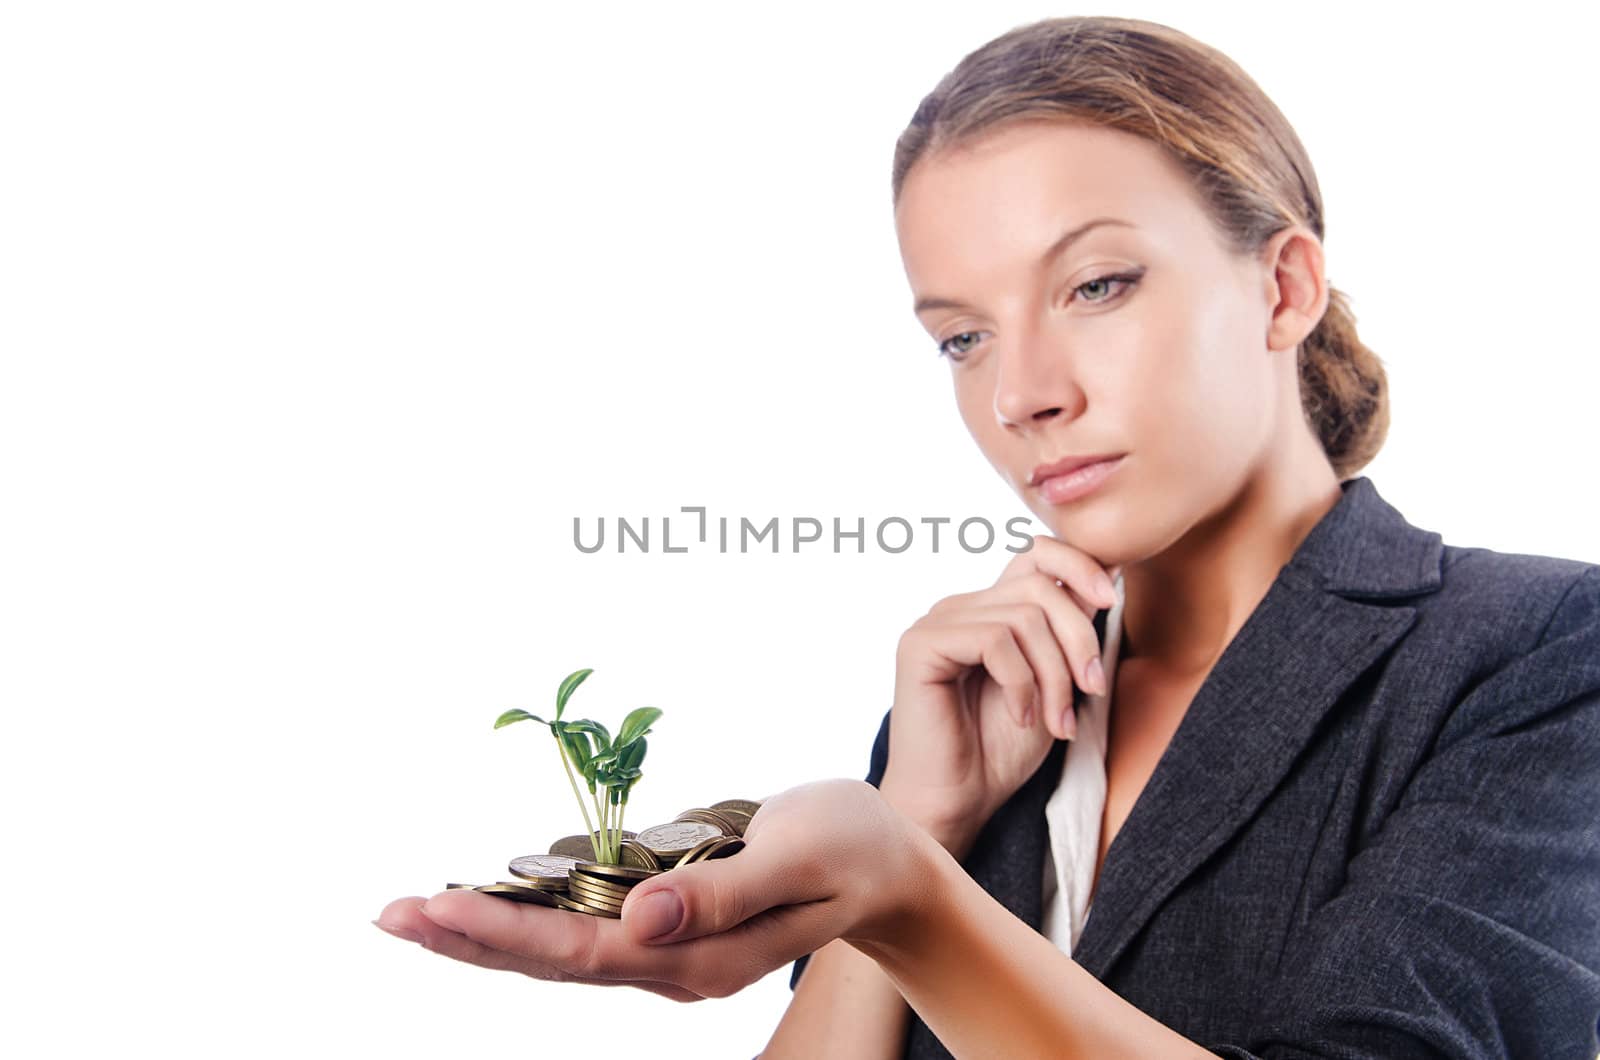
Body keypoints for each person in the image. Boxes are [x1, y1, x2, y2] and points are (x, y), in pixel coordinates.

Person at [374, 15, 1600, 1058]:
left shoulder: (1538, 650)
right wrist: (920, 823)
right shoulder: (969, 715)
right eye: (962, 336)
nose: (1021, 393)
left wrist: (910, 897)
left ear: (1281, 288)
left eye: (1095, 286)